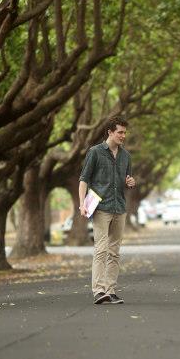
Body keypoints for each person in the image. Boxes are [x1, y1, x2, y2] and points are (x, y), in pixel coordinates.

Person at [79, 114, 136, 304]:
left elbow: (127, 180)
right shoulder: (95, 152)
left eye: (124, 133)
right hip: (101, 206)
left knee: (114, 252)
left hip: (119, 206)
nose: (123, 136)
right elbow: (84, 179)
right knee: (101, 249)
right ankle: (98, 290)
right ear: (110, 132)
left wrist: (130, 182)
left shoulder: (126, 156)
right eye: (120, 132)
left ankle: (110, 290)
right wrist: (81, 203)